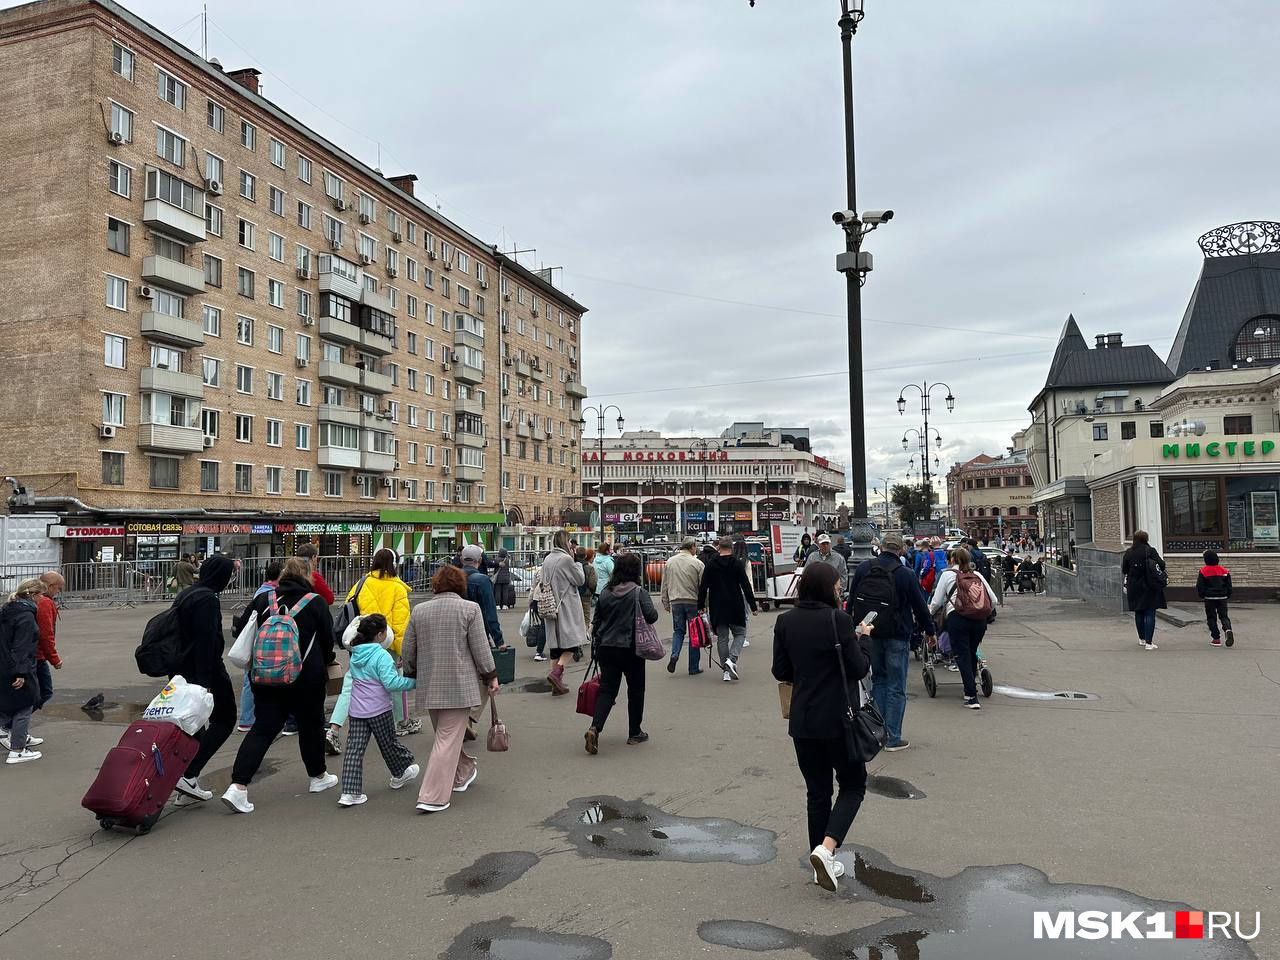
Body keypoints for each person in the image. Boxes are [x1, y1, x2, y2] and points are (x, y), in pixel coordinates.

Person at [771, 563, 873, 892]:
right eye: (837, 584)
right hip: (839, 719)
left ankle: (821, 865)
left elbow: (779, 670)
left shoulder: (785, 621)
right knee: (853, 785)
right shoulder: (838, 620)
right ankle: (827, 850)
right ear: (826, 587)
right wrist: (863, 641)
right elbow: (858, 668)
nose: (840, 588)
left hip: (803, 719)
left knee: (817, 793)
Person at [222, 558, 339, 813]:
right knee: (311, 726)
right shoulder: (315, 602)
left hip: (265, 676)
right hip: (305, 678)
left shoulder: (265, 599)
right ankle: (317, 776)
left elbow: (242, 629)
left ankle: (238, 786)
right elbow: (328, 640)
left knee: (263, 729)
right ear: (308, 575)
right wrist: (326, 660)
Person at [401, 565, 498, 813]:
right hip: (459, 683)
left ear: (435, 584)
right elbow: (480, 647)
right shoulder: (469, 609)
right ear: (460, 585)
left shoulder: (419, 610)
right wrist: (491, 676)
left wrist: (412, 672)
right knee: (447, 739)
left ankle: (464, 771)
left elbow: (408, 648)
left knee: (444, 737)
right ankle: (432, 796)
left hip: (429, 683)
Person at [847, 531, 935, 752]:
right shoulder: (905, 573)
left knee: (879, 682)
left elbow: (851, 599)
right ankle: (893, 737)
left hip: (870, 633)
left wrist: (852, 626)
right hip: (897, 635)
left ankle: (876, 734)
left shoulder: (865, 568)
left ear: (882, 547)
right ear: (901, 550)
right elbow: (919, 606)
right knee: (896, 687)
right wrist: (930, 631)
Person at [171, 555, 238, 801]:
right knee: (225, 719)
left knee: (194, 726)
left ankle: (185, 782)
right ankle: (188, 775)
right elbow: (206, 641)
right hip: (205, 671)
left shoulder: (188, 594)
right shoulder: (207, 599)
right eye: (229, 574)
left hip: (181, 669)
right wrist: (205, 682)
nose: (230, 579)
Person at [337, 613, 419, 807]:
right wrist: (415, 682)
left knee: (354, 751)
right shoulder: (381, 655)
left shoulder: (356, 652)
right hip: (379, 709)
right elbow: (391, 683)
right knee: (388, 743)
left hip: (357, 710)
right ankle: (401, 771)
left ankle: (349, 792)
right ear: (381, 635)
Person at [584, 552, 659, 754]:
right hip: (632, 649)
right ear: (636, 571)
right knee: (636, 690)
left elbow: (597, 620)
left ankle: (594, 728)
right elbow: (652, 616)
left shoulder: (607, 592)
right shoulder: (638, 592)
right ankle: (634, 732)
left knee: (607, 689)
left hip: (606, 648)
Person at [339, 549, 415, 735]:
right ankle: (400, 722)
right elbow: (401, 622)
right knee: (395, 681)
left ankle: (337, 726)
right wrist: (402, 651)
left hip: (363, 642)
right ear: (394, 563)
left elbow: (351, 607)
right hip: (387, 642)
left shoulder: (362, 583)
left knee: (354, 683)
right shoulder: (398, 588)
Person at [929, 546, 999, 709]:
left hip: (957, 619)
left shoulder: (947, 575)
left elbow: (937, 601)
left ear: (952, 559)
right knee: (971, 652)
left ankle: (971, 696)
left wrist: (929, 613)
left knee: (962, 655)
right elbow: (993, 599)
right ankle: (972, 685)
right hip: (979, 620)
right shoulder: (977, 575)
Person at [231, 559, 284, 735]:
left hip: (255, 641)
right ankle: (248, 719)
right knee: (251, 681)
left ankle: (248, 719)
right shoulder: (269, 594)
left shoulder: (262, 590)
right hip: (261, 643)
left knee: (251, 680)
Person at [698, 535, 759, 682]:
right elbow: (745, 585)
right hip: (735, 604)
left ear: (719, 547)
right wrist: (753, 605)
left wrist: (700, 606)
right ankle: (731, 660)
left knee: (722, 638)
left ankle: (726, 672)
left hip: (717, 605)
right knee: (740, 633)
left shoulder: (711, 564)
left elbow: (703, 586)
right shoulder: (737, 564)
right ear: (731, 547)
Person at [0, 579, 47, 764]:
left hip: (4, 664)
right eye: (41, 595)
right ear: (33, 595)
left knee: (8, 705)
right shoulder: (26, 616)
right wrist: (20, 673)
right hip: (16, 667)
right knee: (24, 705)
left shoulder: (7, 610)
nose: (42, 598)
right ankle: (18, 750)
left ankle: (18, 739)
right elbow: (21, 646)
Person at [541, 530, 588, 695]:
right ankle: (556, 673)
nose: (571, 544)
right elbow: (580, 580)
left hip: (550, 605)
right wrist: (577, 562)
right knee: (572, 644)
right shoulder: (566, 559)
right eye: (569, 541)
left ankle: (557, 686)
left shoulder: (547, 558)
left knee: (555, 647)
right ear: (565, 542)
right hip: (565, 605)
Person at [660, 537, 705, 675]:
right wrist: (704, 604)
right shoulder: (697, 563)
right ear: (691, 546)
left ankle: (674, 655)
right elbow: (703, 587)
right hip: (693, 601)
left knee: (678, 631)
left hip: (676, 601)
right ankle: (693, 667)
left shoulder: (670, 562)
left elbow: (665, 584)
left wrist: (665, 601)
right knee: (694, 634)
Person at [1121, 530, 1166, 651]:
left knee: (1139, 611)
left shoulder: (1129, 552)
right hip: (1149, 585)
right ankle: (1149, 642)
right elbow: (1161, 565)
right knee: (1150, 612)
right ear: (1146, 539)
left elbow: (1124, 569)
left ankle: (1141, 639)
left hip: (1133, 586)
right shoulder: (1150, 551)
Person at [34, 572, 64, 714]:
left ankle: (14, 727)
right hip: (36, 655)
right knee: (44, 692)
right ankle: (8, 725)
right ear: (51, 586)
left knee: (34, 692)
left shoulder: (35, 599)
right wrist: (54, 659)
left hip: (30, 654)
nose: (59, 592)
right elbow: (46, 634)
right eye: (59, 588)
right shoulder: (45, 603)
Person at [1196, 549, 1234, 647]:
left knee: (1211, 618)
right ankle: (1228, 629)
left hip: (1209, 598)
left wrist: (1202, 594)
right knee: (1224, 616)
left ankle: (1216, 638)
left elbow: (1200, 585)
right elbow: (1229, 585)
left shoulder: (1203, 571)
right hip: (1222, 597)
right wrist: (1228, 594)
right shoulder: (1224, 570)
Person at [577, 546, 598, 628]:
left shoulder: (573, 566)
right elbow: (593, 583)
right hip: (586, 593)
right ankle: (585, 633)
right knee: (586, 615)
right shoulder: (589, 567)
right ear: (585, 556)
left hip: (575, 593)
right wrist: (591, 592)